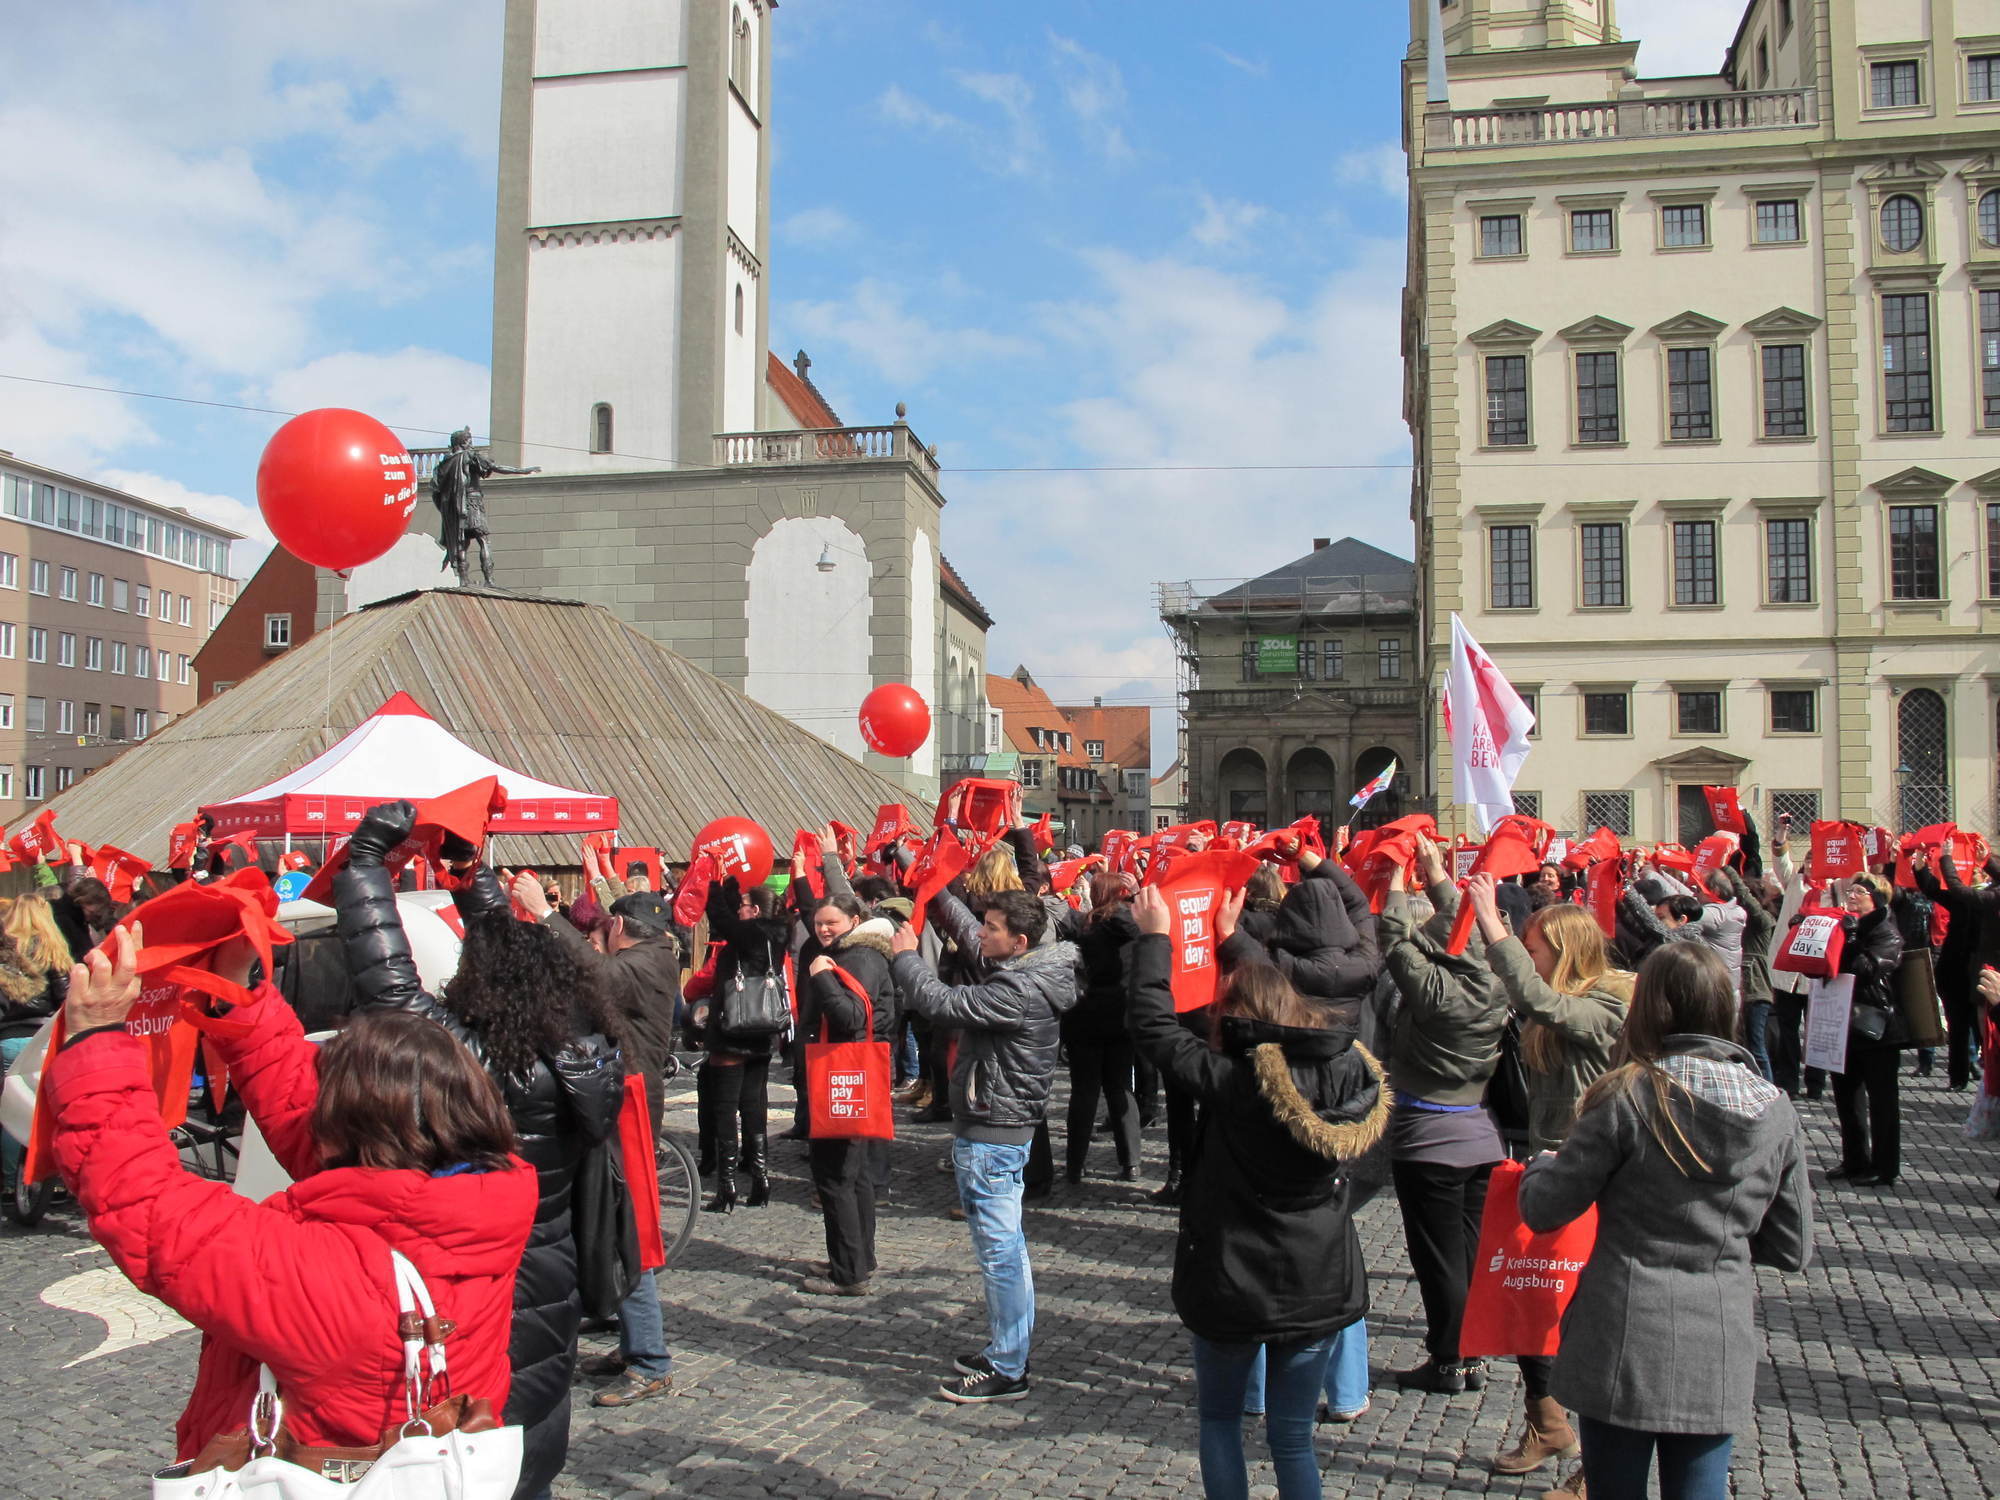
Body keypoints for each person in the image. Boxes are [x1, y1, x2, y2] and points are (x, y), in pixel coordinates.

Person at [44, 924, 537, 1471]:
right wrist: (238, 993)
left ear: (343, 1130)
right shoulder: (480, 1201)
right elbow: (319, 1123)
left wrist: (95, 1042)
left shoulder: (327, 1275)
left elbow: (146, 1204)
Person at [335, 801, 627, 1497]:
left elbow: (391, 988)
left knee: (484, 1445)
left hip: (480, 1280)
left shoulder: (475, 1059)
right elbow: (509, 956)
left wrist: (364, 863)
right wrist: (473, 882)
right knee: (539, 1429)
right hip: (553, 1271)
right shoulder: (585, 1053)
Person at [1519, 944, 1814, 1500]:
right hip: (1717, 1332)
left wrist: (1542, 1165)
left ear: (1648, 1007)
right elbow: (1792, 1246)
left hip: (1622, 1326)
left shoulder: (1627, 1093)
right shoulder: (1774, 1108)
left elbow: (1544, 1208)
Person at [1127, 883, 1388, 1500]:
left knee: (1220, 1422)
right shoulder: (1352, 1067)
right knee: (1293, 1438)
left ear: (1238, 1018)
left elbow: (1155, 1028)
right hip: (1318, 1274)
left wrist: (1156, 938)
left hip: (1230, 1274)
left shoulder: (1238, 1082)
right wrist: (1229, 934)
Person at [1466, 873, 1634, 1493]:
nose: (1525, 958)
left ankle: (1600, 1466)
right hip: (1547, 1168)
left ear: (1561, 953)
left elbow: (1542, 1003)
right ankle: (1548, 1423)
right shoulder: (1559, 993)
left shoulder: (1607, 1003)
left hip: (1592, 1183)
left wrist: (1493, 926)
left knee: (1586, 1324)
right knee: (1532, 1302)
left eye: (1532, 948)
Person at [889, 889, 1078, 1402]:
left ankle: (1008, 1365)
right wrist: (933, 883)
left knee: (1001, 1253)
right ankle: (1005, 1347)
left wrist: (905, 955)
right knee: (1004, 1248)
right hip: (998, 1124)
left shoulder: (1016, 989)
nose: (980, 933)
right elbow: (967, 932)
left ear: (1018, 942)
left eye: (991, 928)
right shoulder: (1033, 965)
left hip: (994, 1129)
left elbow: (940, 1002)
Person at [1378, 836, 1508, 1396]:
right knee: (1472, 1255)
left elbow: (1390, 935)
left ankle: (1449, 1359)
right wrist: (1434, 875)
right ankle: (1474, 1354)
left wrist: (1397, 879)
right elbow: (1469, 937)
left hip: (1427, 1136)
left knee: (1438, 1260)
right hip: (1481, 1135)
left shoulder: (1430, 990)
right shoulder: (1495, 984)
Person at [796, 893, 898, 1297]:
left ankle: (847, 1272)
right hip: (856, 1074)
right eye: (819, 922)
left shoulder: (855, 958)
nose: (823, 929)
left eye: (831, 923)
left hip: (844, 1074)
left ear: (855, 920)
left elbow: (852, 1017)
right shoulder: (864, 952)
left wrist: (821, 975)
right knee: (854, 1176)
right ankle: (857, 1257)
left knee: (835, 1176)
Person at [696, 876, 790, 1210]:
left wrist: (714, 886)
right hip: (761, 1031)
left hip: (732, 1031)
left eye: (744, 906)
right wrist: (732, 886)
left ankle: (727, 1186)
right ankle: (761, 1180)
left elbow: (720, 917)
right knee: (754, 1107)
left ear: (754, 911)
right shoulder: (776, 934)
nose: (740, 910)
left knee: (725, 1110)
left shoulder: (749, 933)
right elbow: (730, 917)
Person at [1825, 873, 1906, 1188]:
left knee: (1883, 1101)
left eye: (1860, 891)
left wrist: (1853, 938)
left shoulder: (1887, 932)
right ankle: (1855, 1159)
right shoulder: (1847, 926)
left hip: (1878, 1027)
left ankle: (1885, 1167)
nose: (1852, 895)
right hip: (1844, 1019)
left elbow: (1868, 969)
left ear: (1878, 899)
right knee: (1848, 1096)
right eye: (1851, 889)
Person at [1066, 871, 1142, 1183]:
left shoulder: (1084, 924)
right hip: (1120, 1013)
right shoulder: (1123, 922)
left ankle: (1075, 1164)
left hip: (1084, 1012)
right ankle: (1131, 1162)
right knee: (1120, 1088)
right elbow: (1142, 930)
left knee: (1084, 1091)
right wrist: (1135, 896)